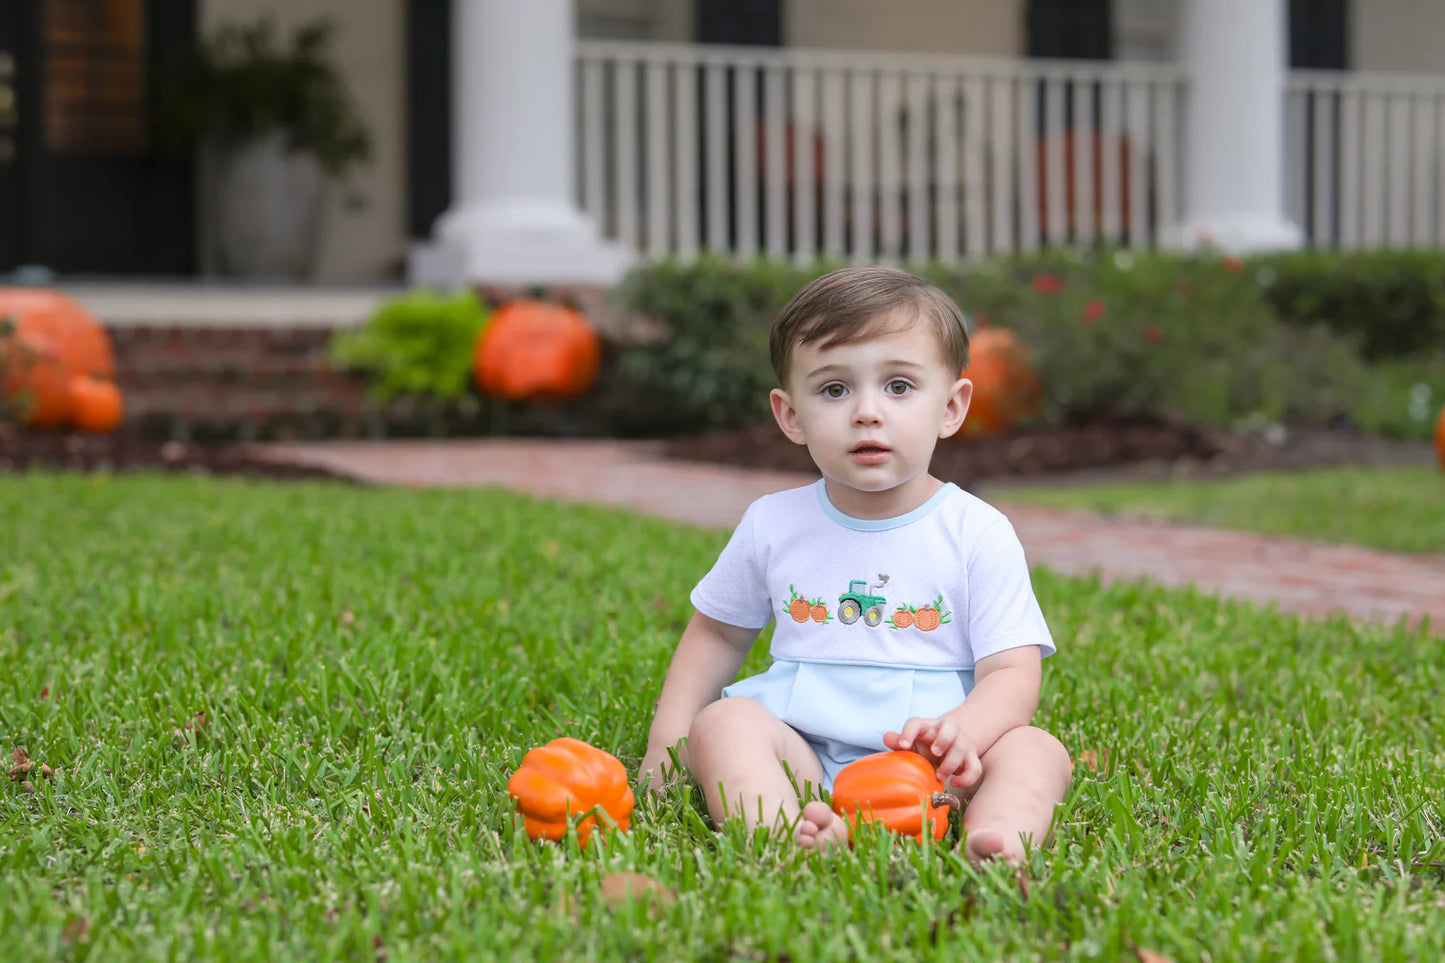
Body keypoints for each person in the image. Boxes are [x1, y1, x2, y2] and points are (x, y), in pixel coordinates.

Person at [638, 265, 1073, 862]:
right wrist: (667, 743)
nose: (867, 412)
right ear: (791, 415)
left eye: (898, 386)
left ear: (951, 407)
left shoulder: (977, 531)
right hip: (804, 755)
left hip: (934, 767)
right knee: (722, 725)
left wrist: (963, 736)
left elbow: (1012, 672)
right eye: (834, 389)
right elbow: (716, 632)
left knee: (1037, 751)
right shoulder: (773, 523)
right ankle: (782, 833)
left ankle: (991, 839)